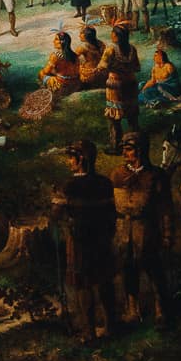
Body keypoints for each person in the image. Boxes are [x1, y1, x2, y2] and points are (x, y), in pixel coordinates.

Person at [50, 137, 116, 343]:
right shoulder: (105, 183)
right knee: (104, 281)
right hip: (102, 239)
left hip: (78, 241)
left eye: (71, 158)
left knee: (82, 285)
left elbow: (55, 215)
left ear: (81, 159)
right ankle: (110, 327)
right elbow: (111, 213)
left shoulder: (68, 185)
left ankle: (88, 332)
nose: (69, 162)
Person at [111, 130, 172, 326]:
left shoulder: (155, 175)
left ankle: (161, 309)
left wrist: (167, 234)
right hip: (123, 229)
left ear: (140, 150)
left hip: (146, 228)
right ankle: (132, 310)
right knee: (128, 268)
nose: (125, 154)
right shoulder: (117, 174)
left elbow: (165, 208)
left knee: (153, 268)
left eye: (128, 150)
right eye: (124, 150)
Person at [103, 19, 141, 153]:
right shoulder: (132, 49)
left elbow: (103, 67)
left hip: (115, 85)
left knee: (114, 116)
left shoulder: (110, 50)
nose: (111, 35)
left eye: (112, 33)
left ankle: (116, 146)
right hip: (130, 83)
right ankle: (136, 141)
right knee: (132, 114)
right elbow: (137, 67)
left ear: (117, 36)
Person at [140, 30, 181, 110]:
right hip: (159, 86)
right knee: (142, 86)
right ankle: (152, 100)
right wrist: (144, 88)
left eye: (156, 56)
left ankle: (165, 100)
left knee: (156, 88)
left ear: (161, 57)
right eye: (154, 56)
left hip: (170, 88)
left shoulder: (168, 66)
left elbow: (174, 80)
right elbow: (152, 80)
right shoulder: (155, 68)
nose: (154, 58)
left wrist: (160, 84)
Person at [40, 28, 79, 95]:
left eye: (56, 39)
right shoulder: (74, 55)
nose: (53, 41)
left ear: (62, 42)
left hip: (63, 85)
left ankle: (46, 92)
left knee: (41, 73)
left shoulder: (55, 56)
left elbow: (46, 71)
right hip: (75, 84)